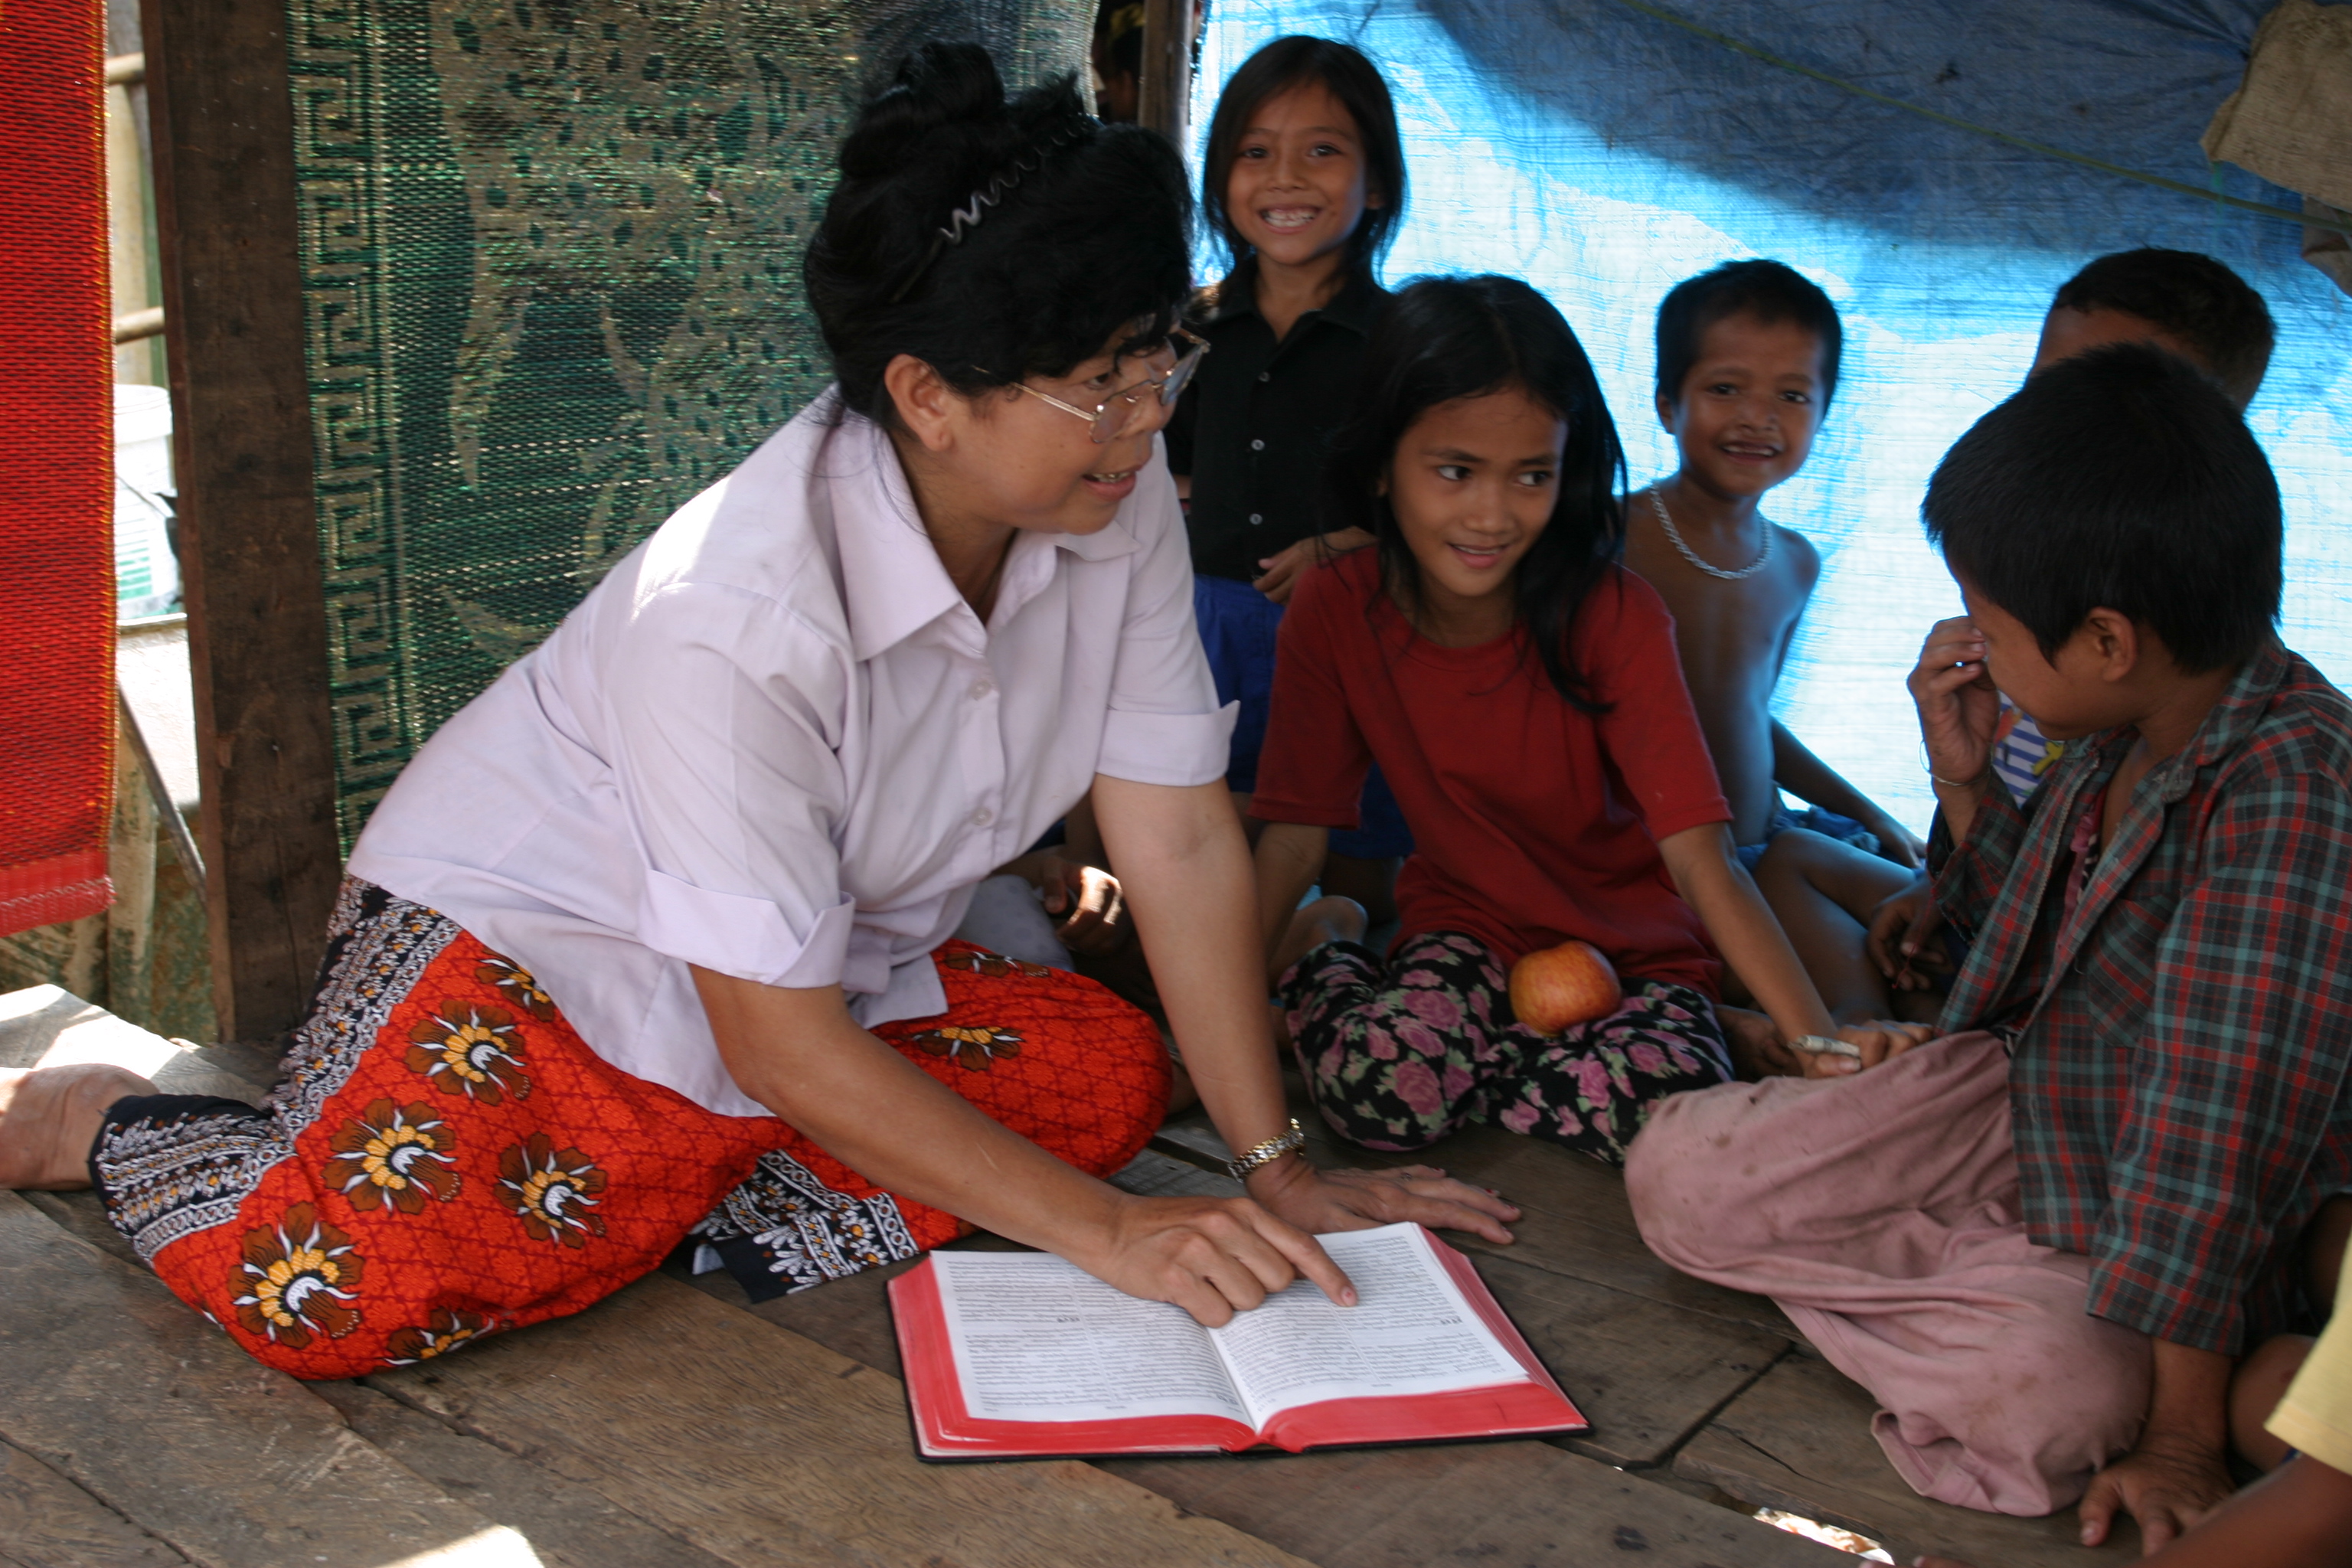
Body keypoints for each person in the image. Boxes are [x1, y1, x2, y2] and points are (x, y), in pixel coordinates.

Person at [0, 45, 1516, 1379]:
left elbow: (1175, 834)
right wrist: (1115, 1238)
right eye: (1098, 381)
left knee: (1105, 1078)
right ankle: (121, 1124)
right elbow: (779, 1043)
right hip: (540, 954)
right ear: (929, 396)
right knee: (328, 1291)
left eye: (1155, 356)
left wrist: (1274, 1168)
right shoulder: (737, 607)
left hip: (811, 971)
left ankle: (637, 1190)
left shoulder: (1101, 502)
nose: (1147, 417)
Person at [1626, 345, 2352, 1544]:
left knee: (2047, 1404)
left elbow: (2212, 1133)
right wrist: (1962, 784)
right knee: (1675, 1173)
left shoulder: (2292, 790)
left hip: (2162, 1206)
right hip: (2023, 1101)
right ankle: (1964, 1278)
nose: (1978, 644)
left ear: (2107, 642)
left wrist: (2180, 1438)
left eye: (1999, 629)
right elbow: (2021, 952)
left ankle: (2045, 1324)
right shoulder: (2126, 723)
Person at [1247, 274, 1917, 1167]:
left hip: (1638, 952)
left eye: (1533, 475)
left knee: (1663, 1113)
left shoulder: (1618, 613)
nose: (1492, 515)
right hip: (1466, 929)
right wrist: (1219, 1018)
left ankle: (1670, 1037)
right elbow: (1294, 838)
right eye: (1455, 471)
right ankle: (1328, 948)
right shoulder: (1336, 606)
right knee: (1381, 1099)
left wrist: (1813, 1042)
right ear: (1381, 462)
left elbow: (1702, 857)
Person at [1771, 248, 2280, 1024]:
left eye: (2105, 402)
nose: (2053, 425)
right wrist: (1950, 847)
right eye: (2047, 389)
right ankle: (1868, 1052)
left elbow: (2116, 996)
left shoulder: (2190, 708)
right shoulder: (2043, 601)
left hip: (2072, 1020)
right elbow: (2024, 896)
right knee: (1789, 862)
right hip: (1998, 920)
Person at [1155, 35, 1415, 926]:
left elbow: (1441, 493)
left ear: (1376, 184)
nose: (1285, 178)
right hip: (1210, 628)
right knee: (1205, 835)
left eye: (1323, 150)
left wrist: (1361, 544)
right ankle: (1235, 980)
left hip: (1354, 635)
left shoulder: (1404, 340)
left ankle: (1335, 978)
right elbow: (1163, 461)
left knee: (1355, 865)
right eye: (1255, 152)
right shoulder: (1191, 329)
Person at [1626, 260, 1920, 874]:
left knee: (1917, 895)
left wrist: (1870, 814)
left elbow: (1749, 717)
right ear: (1667, 405)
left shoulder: (1793, 562)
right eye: (1725, 389)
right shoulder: (1611, 533)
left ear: (1822, 416)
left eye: (1791, 396)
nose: (1757, 417)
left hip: (1761, 845)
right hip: (1643, 860)